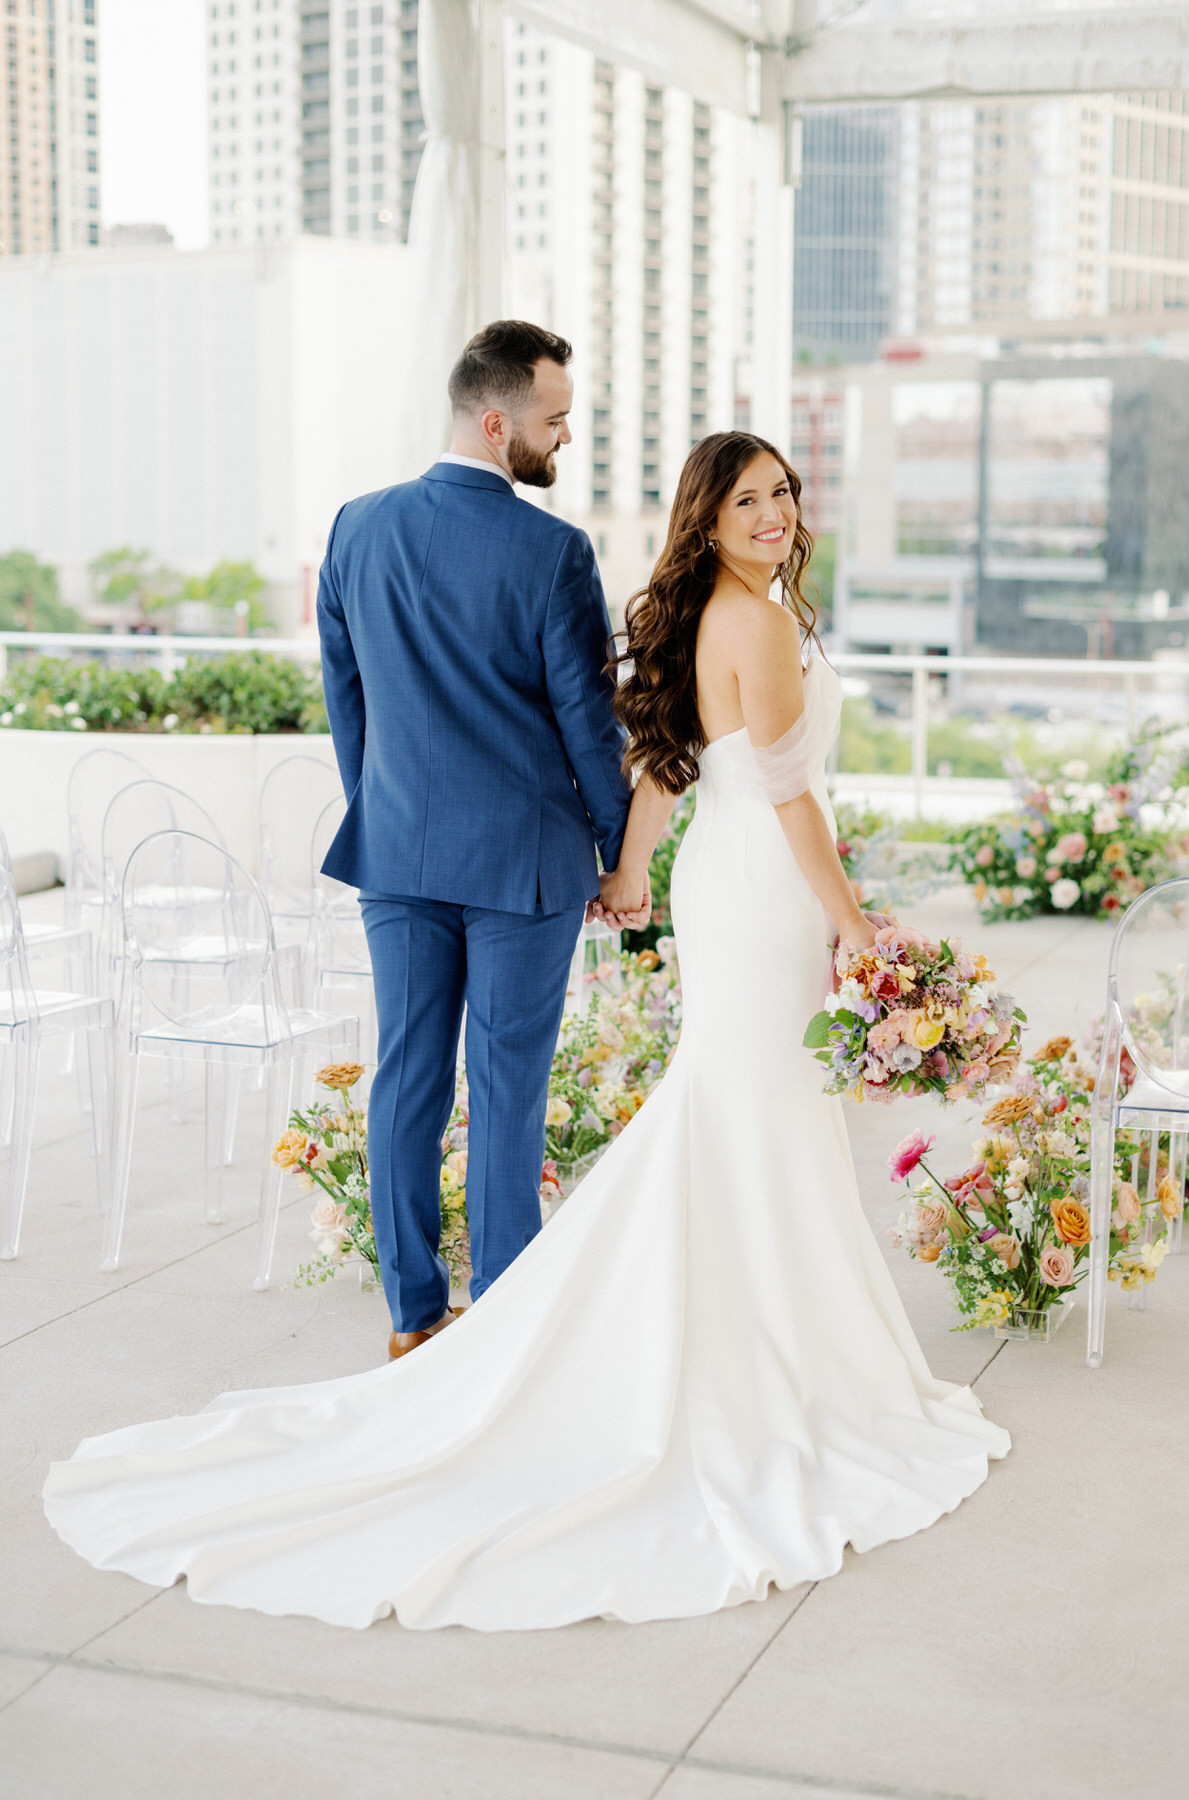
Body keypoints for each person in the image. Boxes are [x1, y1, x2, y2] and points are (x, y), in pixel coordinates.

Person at [44, 430, 1009, 1632]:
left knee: (741, 1100)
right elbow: (788, 790)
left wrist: (632, 876)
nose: (775, 513)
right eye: (749, 498)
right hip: (766, 888)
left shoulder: (723, 607)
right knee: (745, 1101)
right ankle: (735, 1345)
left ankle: (733, 1325)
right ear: (706, 519)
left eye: (785, 493)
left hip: (730, 880)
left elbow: (665, 765)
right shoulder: (754, 621)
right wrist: (854, 920)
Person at [314, 320, 643, 1360]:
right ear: (497, 423)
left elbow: (347, 700)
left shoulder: (355, 527)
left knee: (407, 1076)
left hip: (400, 854)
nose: (564, 440)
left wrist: (387, 808)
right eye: (554, 422)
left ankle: (414, 1318)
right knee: (509, 1088)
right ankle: (501, 1323)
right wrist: (619, 850)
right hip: (525, 867)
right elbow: (588, 724)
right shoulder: (552, 551)